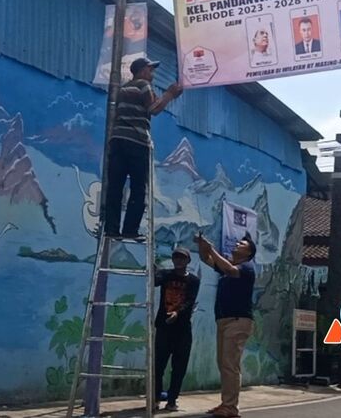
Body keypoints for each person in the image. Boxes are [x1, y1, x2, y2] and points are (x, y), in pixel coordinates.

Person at [105, 57, 182, 238]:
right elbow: (154, 109)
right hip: (136, 142)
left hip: (117, 141)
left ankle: (111, 229)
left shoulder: (123, 88)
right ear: (141, 71)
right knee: (138, 188)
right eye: (150, 69)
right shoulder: (143, 85)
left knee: (115, 187)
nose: (152, 73)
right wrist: (169, 94)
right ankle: (130, 230)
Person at [194, 232, 257, 418]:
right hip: (224, 320)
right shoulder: (228, 267)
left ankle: (230, 407)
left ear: (249, 253)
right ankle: (226, 403)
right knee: (223, 364)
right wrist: (203, 245)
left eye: (242, 244)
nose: (237, 244)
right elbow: (206, 259)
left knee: (230, 364)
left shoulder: (247, 267)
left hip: (238, 320)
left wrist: (212, 249)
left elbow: (229, 269)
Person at [153, 247, 201, 412]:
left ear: (188, 261)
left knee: (179, 367)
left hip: (182, 329)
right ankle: (155, 397)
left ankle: (172, 400)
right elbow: (154, 281)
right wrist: (152, 267)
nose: (179, 260)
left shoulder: (193, 280)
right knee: (158, 365)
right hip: (164, 327)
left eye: (182, 258)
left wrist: (177, 313)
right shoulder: (166, 275)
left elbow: (190, 301)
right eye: (176, 257)